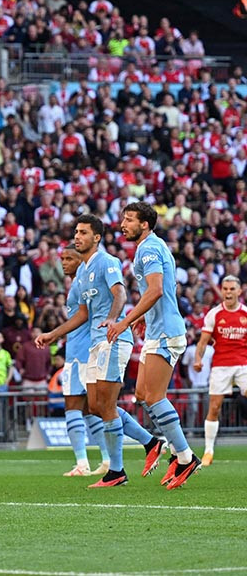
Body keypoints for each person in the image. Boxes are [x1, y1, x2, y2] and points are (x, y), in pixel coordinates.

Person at [37, 215, 159, 487]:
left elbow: (120, 294)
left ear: (96, 237)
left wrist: (114, 319)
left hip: (113, 339)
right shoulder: (81, 273)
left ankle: (117, 471)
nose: (77, 236)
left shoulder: (108, 261)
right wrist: (53, 335)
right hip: (94, 340)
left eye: (83, 232)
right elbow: (82, 313)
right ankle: (150, 442)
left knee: (104, 405)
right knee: (95, 407)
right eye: (76, 232)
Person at [107, 202, 201, 489]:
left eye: (129, 219)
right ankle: (171, 449)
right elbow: (160, 290)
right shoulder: (152, 246)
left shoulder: (148, 248)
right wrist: (144, 317)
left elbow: (157, 289)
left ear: (144, 224)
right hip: (157, 330)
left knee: (156, 396)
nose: (123, 224)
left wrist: (125, 321)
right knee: (143, 394)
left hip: (167, 332)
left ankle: (185, 457)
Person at [55, 244, 108, 477]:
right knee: (91, 409)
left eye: (69, 258)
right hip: (83, 351)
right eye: (62, 258)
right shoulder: (83, 283)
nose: (64, 262)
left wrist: (53, 334)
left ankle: (82, 463)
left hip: (79, 354)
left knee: (74, 406)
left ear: (80, 261)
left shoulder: (81, 283)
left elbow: (84, 318)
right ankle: (106, 459)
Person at [193, 275, 247, 467]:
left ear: (239, 291)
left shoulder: (245, 313)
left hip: (243, 364)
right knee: (214, 407)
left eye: (232, 289)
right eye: (225, 289)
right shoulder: (214, 314)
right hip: (221, 365)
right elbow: (203, 341)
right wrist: (198, 358)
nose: (228, 292)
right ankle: (208, 450)